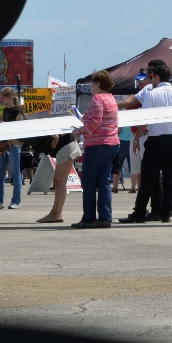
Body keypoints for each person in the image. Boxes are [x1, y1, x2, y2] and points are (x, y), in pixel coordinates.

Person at [119, 63, 172, 223]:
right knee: (169, 178)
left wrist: (136, 138)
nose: (149, 79)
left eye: (150, 76)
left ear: (156, 76)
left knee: (148, 177)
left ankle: (139, 212)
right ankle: (165, 213)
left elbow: (145, 119)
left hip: (157, 138)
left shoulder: (153, 94)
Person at [71, 70, 119, 228]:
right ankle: (105, 217)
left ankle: (89, 218)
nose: (90, 85)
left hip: (97, 144)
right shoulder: (111, 98)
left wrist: (80, 130)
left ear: (98, 83)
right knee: (104, 182)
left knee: (89, 182)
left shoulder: (98, 99)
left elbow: (95, 122)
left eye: (92, 82)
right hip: (112, 142)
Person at [35, 133, 83, 223]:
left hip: (66, 146)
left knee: (60, 181)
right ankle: (54, 213)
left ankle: (57, 214)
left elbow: (66, 126)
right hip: (65, 147)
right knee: (59, 181)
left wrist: (57, 135)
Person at [0, 87, 24, 209]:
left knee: (15, 173)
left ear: (10, 97)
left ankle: (16, 201)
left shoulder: (18, 111)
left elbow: (19, 129)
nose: (2, 99)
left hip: (14, 144)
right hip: (4, 145)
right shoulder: (5, 111)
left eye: (3, 97)